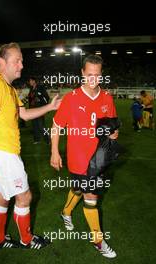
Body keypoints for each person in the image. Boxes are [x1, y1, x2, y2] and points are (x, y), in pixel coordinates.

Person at [0, 42, 61, 249]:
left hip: (3, 153)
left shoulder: (9, 89)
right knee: (25, 196)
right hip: (3, 153)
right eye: (17, 60)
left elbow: (24, 115)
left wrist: (51, 106)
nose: (21, 65)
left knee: (3, 197)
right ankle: (27, 240)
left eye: (21, 60)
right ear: (2, 62)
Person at [50, 54, 118, 259]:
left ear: (101, 75)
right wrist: (54, 151)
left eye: (97, 75)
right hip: (78, 158)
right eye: (89, 75)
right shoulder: (71, 99)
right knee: (91, 196)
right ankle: (97, 240)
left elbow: (112, 126)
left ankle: (66, 212)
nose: (93, 79)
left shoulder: (107, 98)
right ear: (82, 73)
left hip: (99, 158)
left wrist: (113, 134)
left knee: (79, 189)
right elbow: (56, 126)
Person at [28, 77, 50, 144]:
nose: (30, 82)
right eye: (29, 81)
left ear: (34, 81)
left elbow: (46, 97)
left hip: (40, 109)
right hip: (32, 109)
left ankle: (48, 140)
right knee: (34, 125)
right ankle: (37, 140)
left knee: (41, 125)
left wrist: (41, 101)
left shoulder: (40, 87)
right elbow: (30, 99)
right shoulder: (31, 89)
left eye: (30, 81)